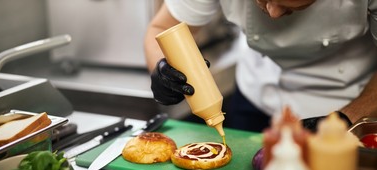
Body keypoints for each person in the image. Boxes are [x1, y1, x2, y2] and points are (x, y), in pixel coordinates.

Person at [144, 0, 377, 132]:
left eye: (292, 5)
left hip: (344, 100)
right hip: (255, 93)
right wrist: (162, 69)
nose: (274, 13)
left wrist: (348, 118)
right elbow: (161, 28)